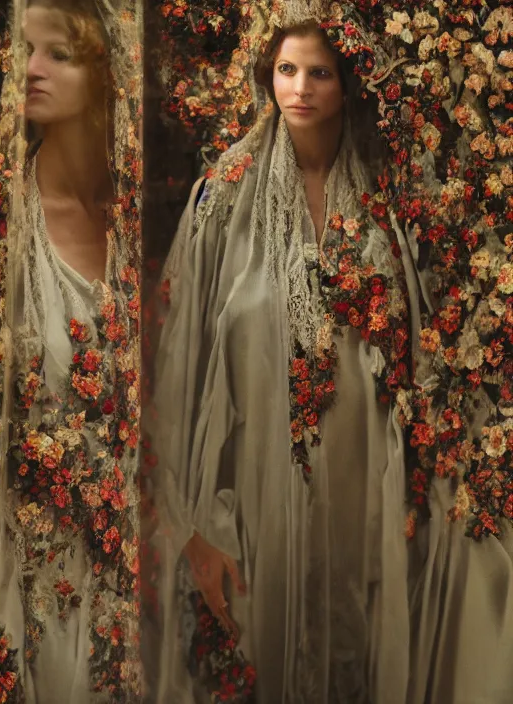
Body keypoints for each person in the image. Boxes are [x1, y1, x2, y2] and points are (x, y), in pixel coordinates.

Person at [151, 18, 419, 703]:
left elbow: (411, 349)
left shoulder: (382, 196)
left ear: (348, 81)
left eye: (319, 72)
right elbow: (180, 360)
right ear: (266, 73)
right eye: (287, 70)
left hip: (360, 490)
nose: (299, 88)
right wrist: (187, 528)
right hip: (253, 490)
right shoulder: (224, 197)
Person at [0, 1, 119, 701]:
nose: (30, 71)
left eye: (57, 54)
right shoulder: (2, 221)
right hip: (44, 583)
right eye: (24, 51)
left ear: (104, 69)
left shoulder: (143, 219)